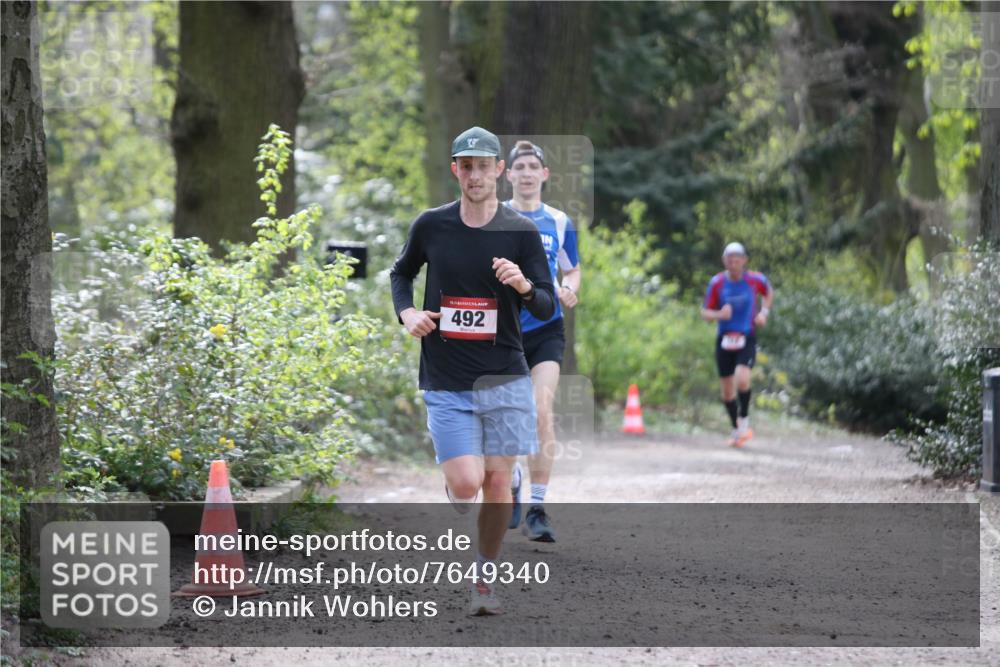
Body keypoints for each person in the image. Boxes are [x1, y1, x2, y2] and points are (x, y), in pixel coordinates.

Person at [390, 127, 556, 615]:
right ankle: (455, 479)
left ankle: (483, 581)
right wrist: (408, 314)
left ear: (499, 171)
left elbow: (546, 305)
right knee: (467, 485)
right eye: (467, 165)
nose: (476, 174)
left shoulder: (520, 232)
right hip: (446, 378)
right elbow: (401, 273)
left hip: (505, 375)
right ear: (455, 170)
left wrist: (524, 285)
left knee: (499, 483)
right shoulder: (432, 226)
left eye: (485, 165)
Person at [503, 140, 581, 543]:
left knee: (540, 409)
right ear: (509, 174)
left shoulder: (560, 220)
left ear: (545, 175)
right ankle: (511, 477)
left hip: (546, 327)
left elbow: (572, 270)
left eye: (535, 166)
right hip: (503, 331)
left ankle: (537, 506)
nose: (529, 173)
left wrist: (569, 289)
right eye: (521, 167)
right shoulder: (494, 218)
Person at [700, 242, 773, 447]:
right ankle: (737, 429)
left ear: (744, 260)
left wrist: (764, 313)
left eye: (737, 258)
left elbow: (768, 291)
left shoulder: (754, 280)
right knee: (727, 392)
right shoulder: (717, 283)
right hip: (724, 339)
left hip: (746, 336)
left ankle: (745, 419)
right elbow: (705, 313)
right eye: (729, 259)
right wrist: (718, 314)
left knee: (742, 378)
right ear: (724, 261)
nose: (733, 262)